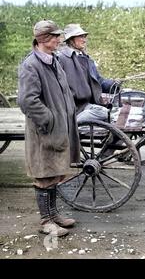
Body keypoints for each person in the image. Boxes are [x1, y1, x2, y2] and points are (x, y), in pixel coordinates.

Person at [17, 20, 80, 237]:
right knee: (44, 176)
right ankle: (46, 221)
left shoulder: (53, 60)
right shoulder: (31, 65)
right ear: (43, 39)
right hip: (43, 132)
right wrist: (50, 119)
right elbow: (27, 101)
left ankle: (53, 215)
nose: (59, 39)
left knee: (54, 173)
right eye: (55, 36)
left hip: (58, 129)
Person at [57, 24, 121, 122]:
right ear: (71, 40)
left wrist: (112, 84)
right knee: (104, 114)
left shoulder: (86, 59)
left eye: (84, 37)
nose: (84, 40)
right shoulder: (62, 59)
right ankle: (73, 123)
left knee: (110, 114)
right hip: (73, 108)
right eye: (80, 37)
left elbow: (98, 81)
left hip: (87, 105)